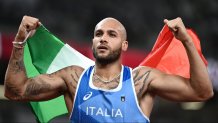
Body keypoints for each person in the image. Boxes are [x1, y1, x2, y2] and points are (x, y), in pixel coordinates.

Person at [4, 15, 213, 123]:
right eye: (99, 34)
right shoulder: (73, 77)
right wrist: (20, 41)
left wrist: (185, 40)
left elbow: (202, 91)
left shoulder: (141, 81)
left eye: (112, 35)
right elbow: (16, 91)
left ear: (124, 46)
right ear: (93, 42)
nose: (103, 38)